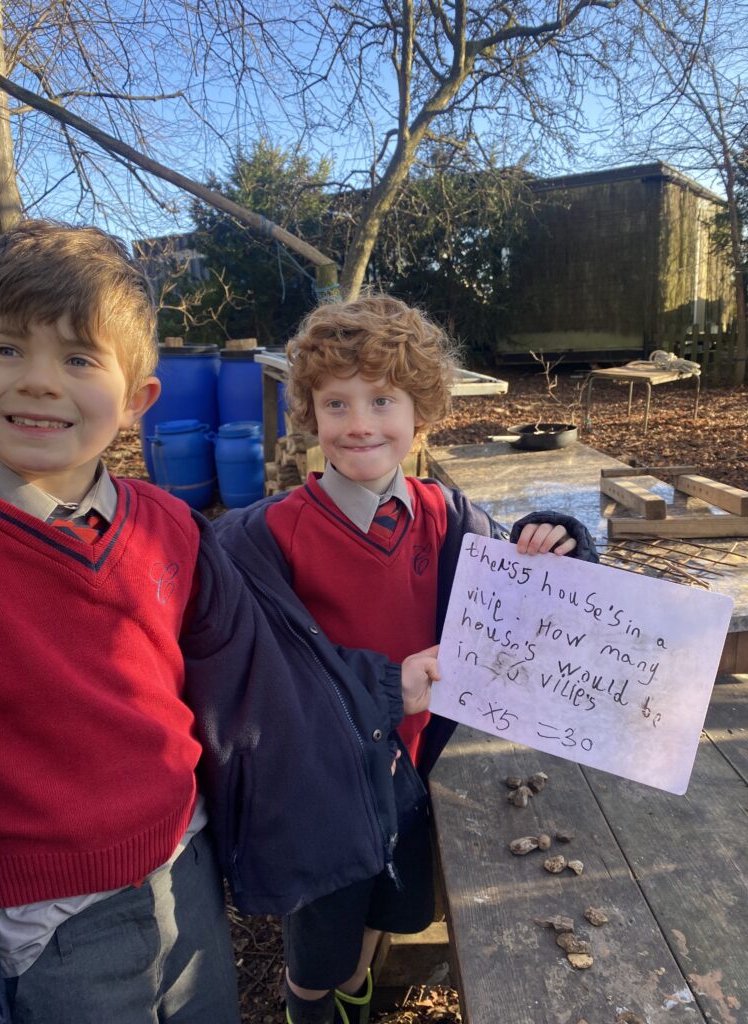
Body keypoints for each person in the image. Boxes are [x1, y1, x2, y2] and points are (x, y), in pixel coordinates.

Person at [0, 222, 435, 1024]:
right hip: (42, 912)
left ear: (137, 401)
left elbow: (265, 661)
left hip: (184, 869)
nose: (41, 383)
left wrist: (384, 685)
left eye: (79, 358)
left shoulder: (170, 530)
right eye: (7, 349)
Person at [208, 294, 598, 1024]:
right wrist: (384, 689)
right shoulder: (262, 539)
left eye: (382, 399)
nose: (359, 424)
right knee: (319, 942)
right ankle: (310, 1007)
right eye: (336, 403)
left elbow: (530, 601)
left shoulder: (449, 517)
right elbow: (257, 676)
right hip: (317, 789)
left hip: (409, 772)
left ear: (420, 412)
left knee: (386, 908)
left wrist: (560, 540)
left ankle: (357, 991)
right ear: (310, 414)